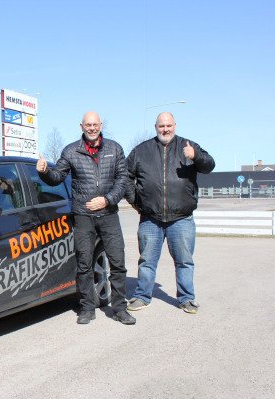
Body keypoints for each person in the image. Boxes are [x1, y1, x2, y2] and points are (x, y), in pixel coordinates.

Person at [37, 111, 135, 325]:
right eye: (87, 125)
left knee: (118, 264)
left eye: (95, 124)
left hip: (109, 215)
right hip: (83, 216)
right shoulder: (71, 151)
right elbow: (57, 177)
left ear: (101, 125)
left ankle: (119, 309)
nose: (92, 128)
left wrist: (107, 200)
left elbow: (123, 181)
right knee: (84, 264)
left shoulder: (114, 148)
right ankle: (87, 308)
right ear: (81, 127)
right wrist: (44, 171)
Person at [125, 112, 215, 314]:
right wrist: (135, 200)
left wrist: (196, 156)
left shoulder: (189, 146)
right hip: (150, 219)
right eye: (161, 126)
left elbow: (209, 165)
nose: (165, 129)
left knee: (184, 261)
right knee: (147, 261)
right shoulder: (141, 150)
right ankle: (142, 296)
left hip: (181, 218)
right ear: (155, 127)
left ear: (175, 125)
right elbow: (125, 176)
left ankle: (186, 298)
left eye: (168, 125)